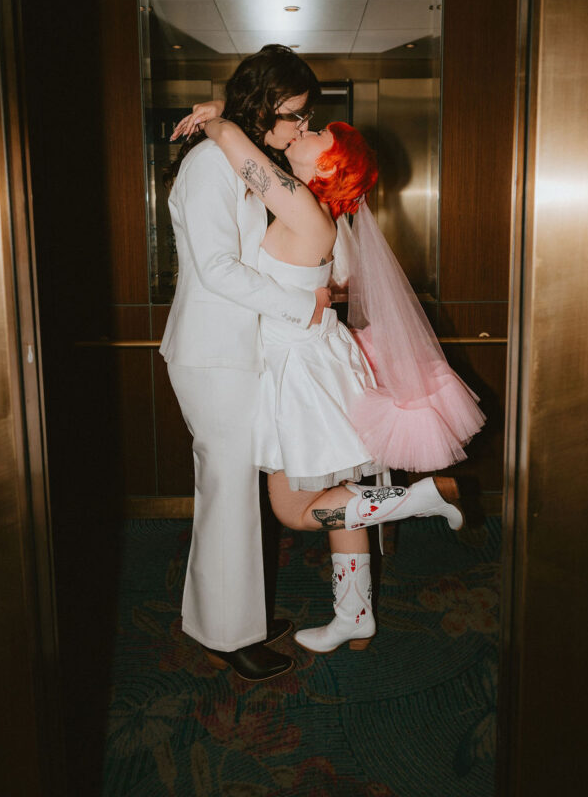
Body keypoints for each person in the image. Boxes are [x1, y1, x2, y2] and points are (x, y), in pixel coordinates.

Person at [177, 103, 485, 655]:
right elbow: (333, 277)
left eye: (317, 133)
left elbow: (248, 164)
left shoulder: (302, 205)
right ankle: (354, 615)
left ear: (327, 170)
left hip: (299, 374)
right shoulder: (317, 210)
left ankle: (422, 499)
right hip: (317, 362)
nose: (306, 130)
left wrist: (222, 123)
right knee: (339, 494)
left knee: (294, 509)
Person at [161, 45, 332, 683]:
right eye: (291, 115)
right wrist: (301, 307)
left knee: (236, 494)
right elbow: (217, 269)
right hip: (211, 353)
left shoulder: (235, 157)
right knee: (227, 494)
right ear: (263, 106)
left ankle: (237, 618)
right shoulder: (209, 166)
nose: (297, 129)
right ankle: (224, 634)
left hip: (236, 350)